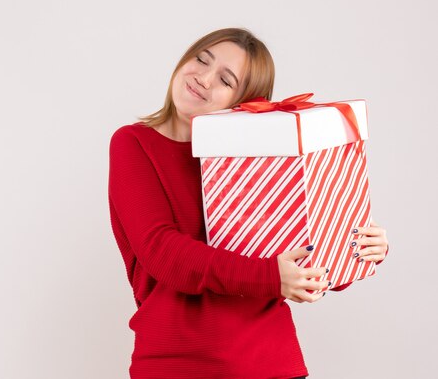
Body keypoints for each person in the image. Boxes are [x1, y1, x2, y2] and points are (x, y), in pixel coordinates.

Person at [107, 27, 390, 379]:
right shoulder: (133, 143)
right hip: (178, 364)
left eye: (226, 80)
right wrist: (271, 277)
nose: (204, 79)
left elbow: (299, 252)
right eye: (201, 59)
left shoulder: (261, 154)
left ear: (243, 100)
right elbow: (162, 252)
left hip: (271, 362)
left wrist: (357, 248)